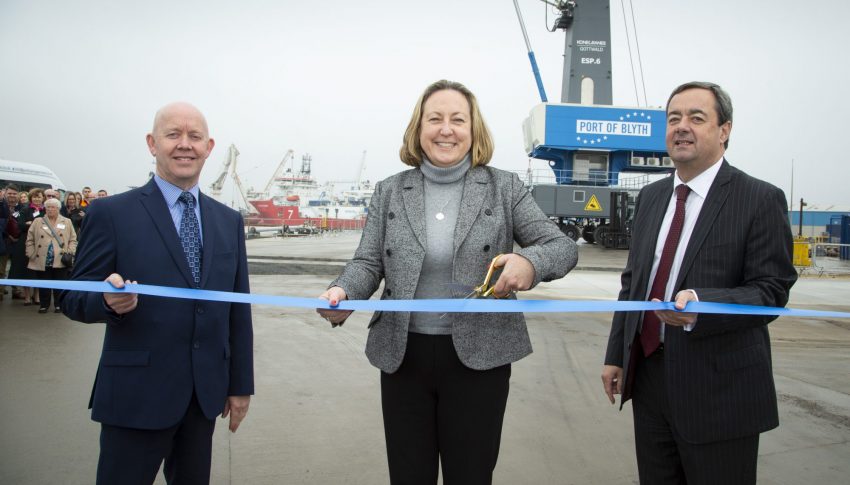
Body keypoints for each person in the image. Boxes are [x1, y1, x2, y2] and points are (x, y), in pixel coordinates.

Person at [318, 80, 577, 485]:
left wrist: (529, 262)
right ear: (418, 129)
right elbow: (368, 262)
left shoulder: (504, 187)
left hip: (481, 359)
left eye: (458, 120)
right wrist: (343, 291)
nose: (446, 129)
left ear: (474, 130)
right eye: (434, 119)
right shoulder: (390, 190)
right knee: (409, 475)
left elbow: (560, 247)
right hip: (403, 357)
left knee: (470, 476)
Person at [601, 81, 797, 484]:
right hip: (651, 377)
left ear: (724, 130)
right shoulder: (652, 198)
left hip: (720, 389)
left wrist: (700, 305)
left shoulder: (759, 199)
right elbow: (633, 283)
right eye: (674, 118)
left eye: (696, 117)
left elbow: (771, 290)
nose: (681, 127)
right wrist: (616, 354)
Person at [60, 101, 254, 484]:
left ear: (209, 147)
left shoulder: (228, 221)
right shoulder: (111, 213)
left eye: (194, 136)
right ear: (152, 143)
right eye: (173, 135)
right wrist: (106, 302)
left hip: (203, 399)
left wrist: (240, 385)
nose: (185, 145)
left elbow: (237, 311)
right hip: (135, 396)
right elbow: (71, 297)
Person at [25, 198, 76, 313]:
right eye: (48, 207)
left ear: (58, 209)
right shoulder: (38, 221)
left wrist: (70, 251)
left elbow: (73, 239)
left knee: (59, 283)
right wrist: (30, 253)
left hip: (60, 258)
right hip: (42, 258)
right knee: (44, 283)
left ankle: (59, 305)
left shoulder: (66, 221)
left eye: (53, 207)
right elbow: (30, 239)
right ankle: (44, 305)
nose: (50, 209)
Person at [9, 188, 44, 305]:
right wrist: (31, 224)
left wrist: (31, 223)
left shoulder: (46, 210)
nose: (37, 199)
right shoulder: (25, 209)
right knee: (26, 270)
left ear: (43, 197)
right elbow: (21, 225)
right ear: (31, 198)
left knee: (39, 270)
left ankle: (37, 295)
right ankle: (27, 296)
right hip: (26, 242)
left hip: (41, 243)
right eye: (34, 197)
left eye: (39, 196)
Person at [0, 185, 21, 300]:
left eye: (14, 193)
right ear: (5, 193)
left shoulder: (22, 207)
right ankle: (1, 292)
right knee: (1, 269)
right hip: (4, 241)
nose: (12, 196)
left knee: (17, 268)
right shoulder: (1, 206)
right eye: (9, 193)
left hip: (19, 242)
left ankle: (16, 290)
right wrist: (8, 235)